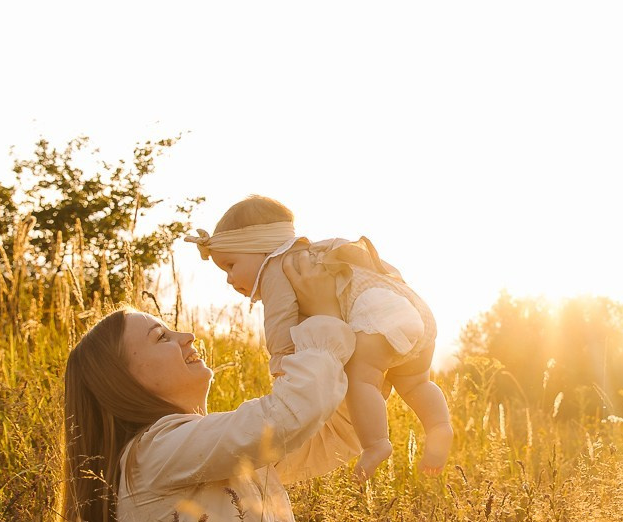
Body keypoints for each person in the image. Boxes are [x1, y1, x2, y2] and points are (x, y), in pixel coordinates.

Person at [60, 252, 613, 522]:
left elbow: (324, 433)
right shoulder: (152, 453)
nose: (185, 337)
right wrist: (323, 317)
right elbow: (286, 416)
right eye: (161, 338)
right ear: (120, 381)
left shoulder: (193, 449)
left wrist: (371, 351)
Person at [185, 195, 452, 481]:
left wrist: (283, 368)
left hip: (378, 312)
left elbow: (279, 324)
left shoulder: (276, 267)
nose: (229, 279)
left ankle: (376, 443)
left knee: (360, 378)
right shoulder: (311, 254)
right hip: (410, 309)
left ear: (259, 248)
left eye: (230, 265)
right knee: (415, 383)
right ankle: (439, 426)